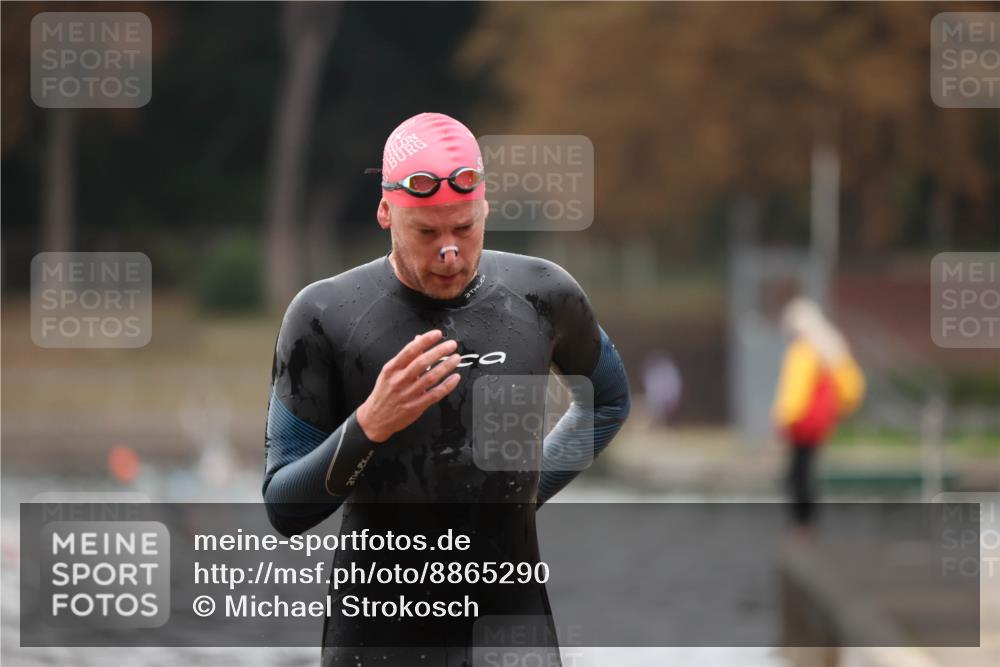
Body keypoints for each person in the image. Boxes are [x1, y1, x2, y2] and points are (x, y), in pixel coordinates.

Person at [262, 112, 631, 665]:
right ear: (386, 212)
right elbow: (284, 508)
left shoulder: (543, 294)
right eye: (427, 233)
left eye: (464, 228)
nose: (450, 252)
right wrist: (370, 424)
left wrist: (520, 496)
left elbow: (608, 403)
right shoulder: (324, 315)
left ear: (485, 208)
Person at [771, 297, 865, 528]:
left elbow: (795, 390)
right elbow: (850, 385)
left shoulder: (804, 351)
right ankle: (807, 521)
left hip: (802, 423)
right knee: (806, 469)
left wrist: (783, 418)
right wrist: (842, 408)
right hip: (819, 422)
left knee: (798, 473)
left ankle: (802, 522)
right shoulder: (830, 346)